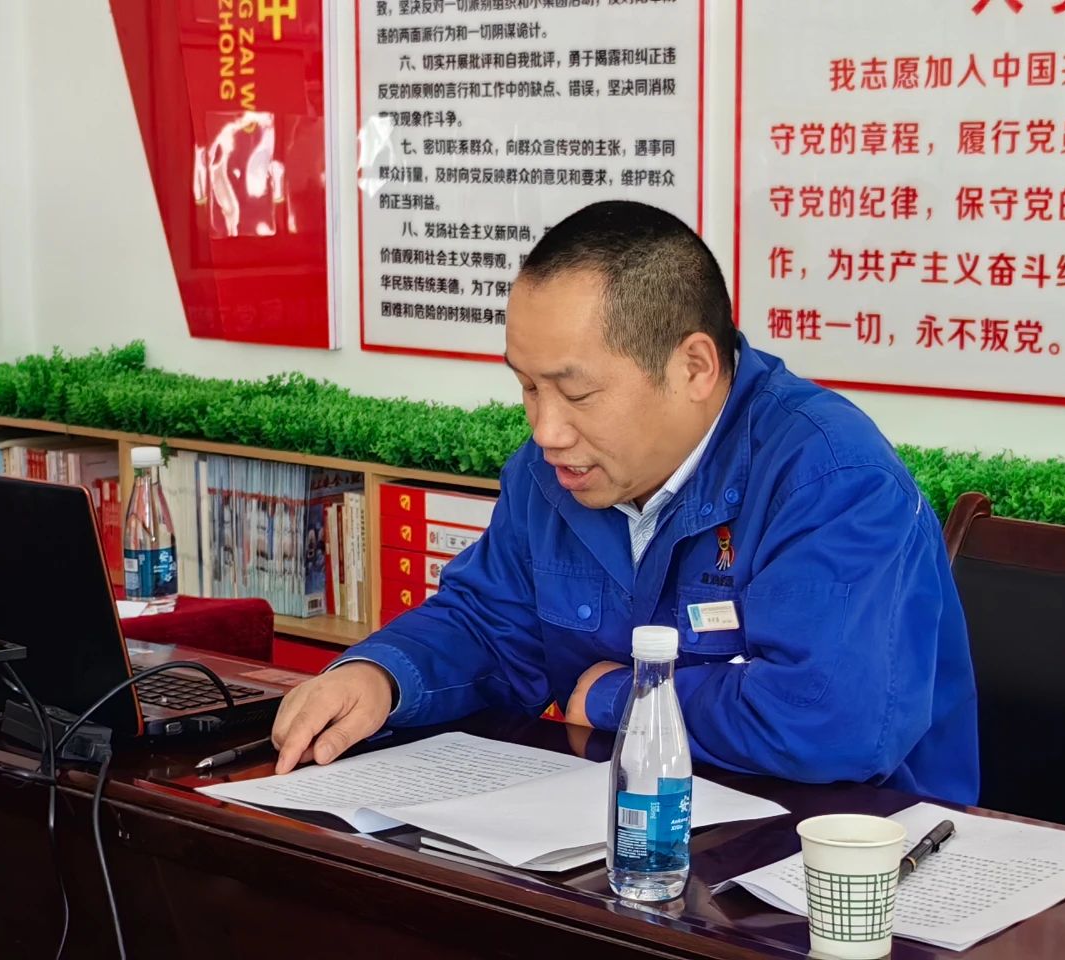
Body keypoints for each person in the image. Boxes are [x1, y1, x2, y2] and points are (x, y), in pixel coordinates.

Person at [271, 200, 979, 803]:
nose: (546, 430)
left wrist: (619, 697)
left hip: (832, 862)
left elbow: (831, 719)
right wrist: (382, 675)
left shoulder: (829, 478)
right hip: (626, 832)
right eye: (528, 387)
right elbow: (489, 626)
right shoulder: (554, 472)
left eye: (576, 393)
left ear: (694, 367)